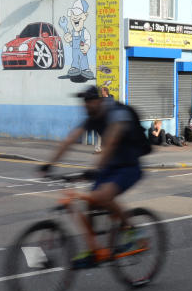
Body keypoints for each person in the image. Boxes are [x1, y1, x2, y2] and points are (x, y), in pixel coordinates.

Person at [40, 85, 146, 267]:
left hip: (129, 165)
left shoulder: (117, 113)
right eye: (84, 101)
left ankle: (133, 233)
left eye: (90, 101)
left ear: (100, 100)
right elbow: (69, 140)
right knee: (89, 202)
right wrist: (48, 165)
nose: (86, 105)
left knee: (103, 196)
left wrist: (95, 168)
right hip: (110, 165)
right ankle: (94, 249)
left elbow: (112, 141)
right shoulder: (92, 119)